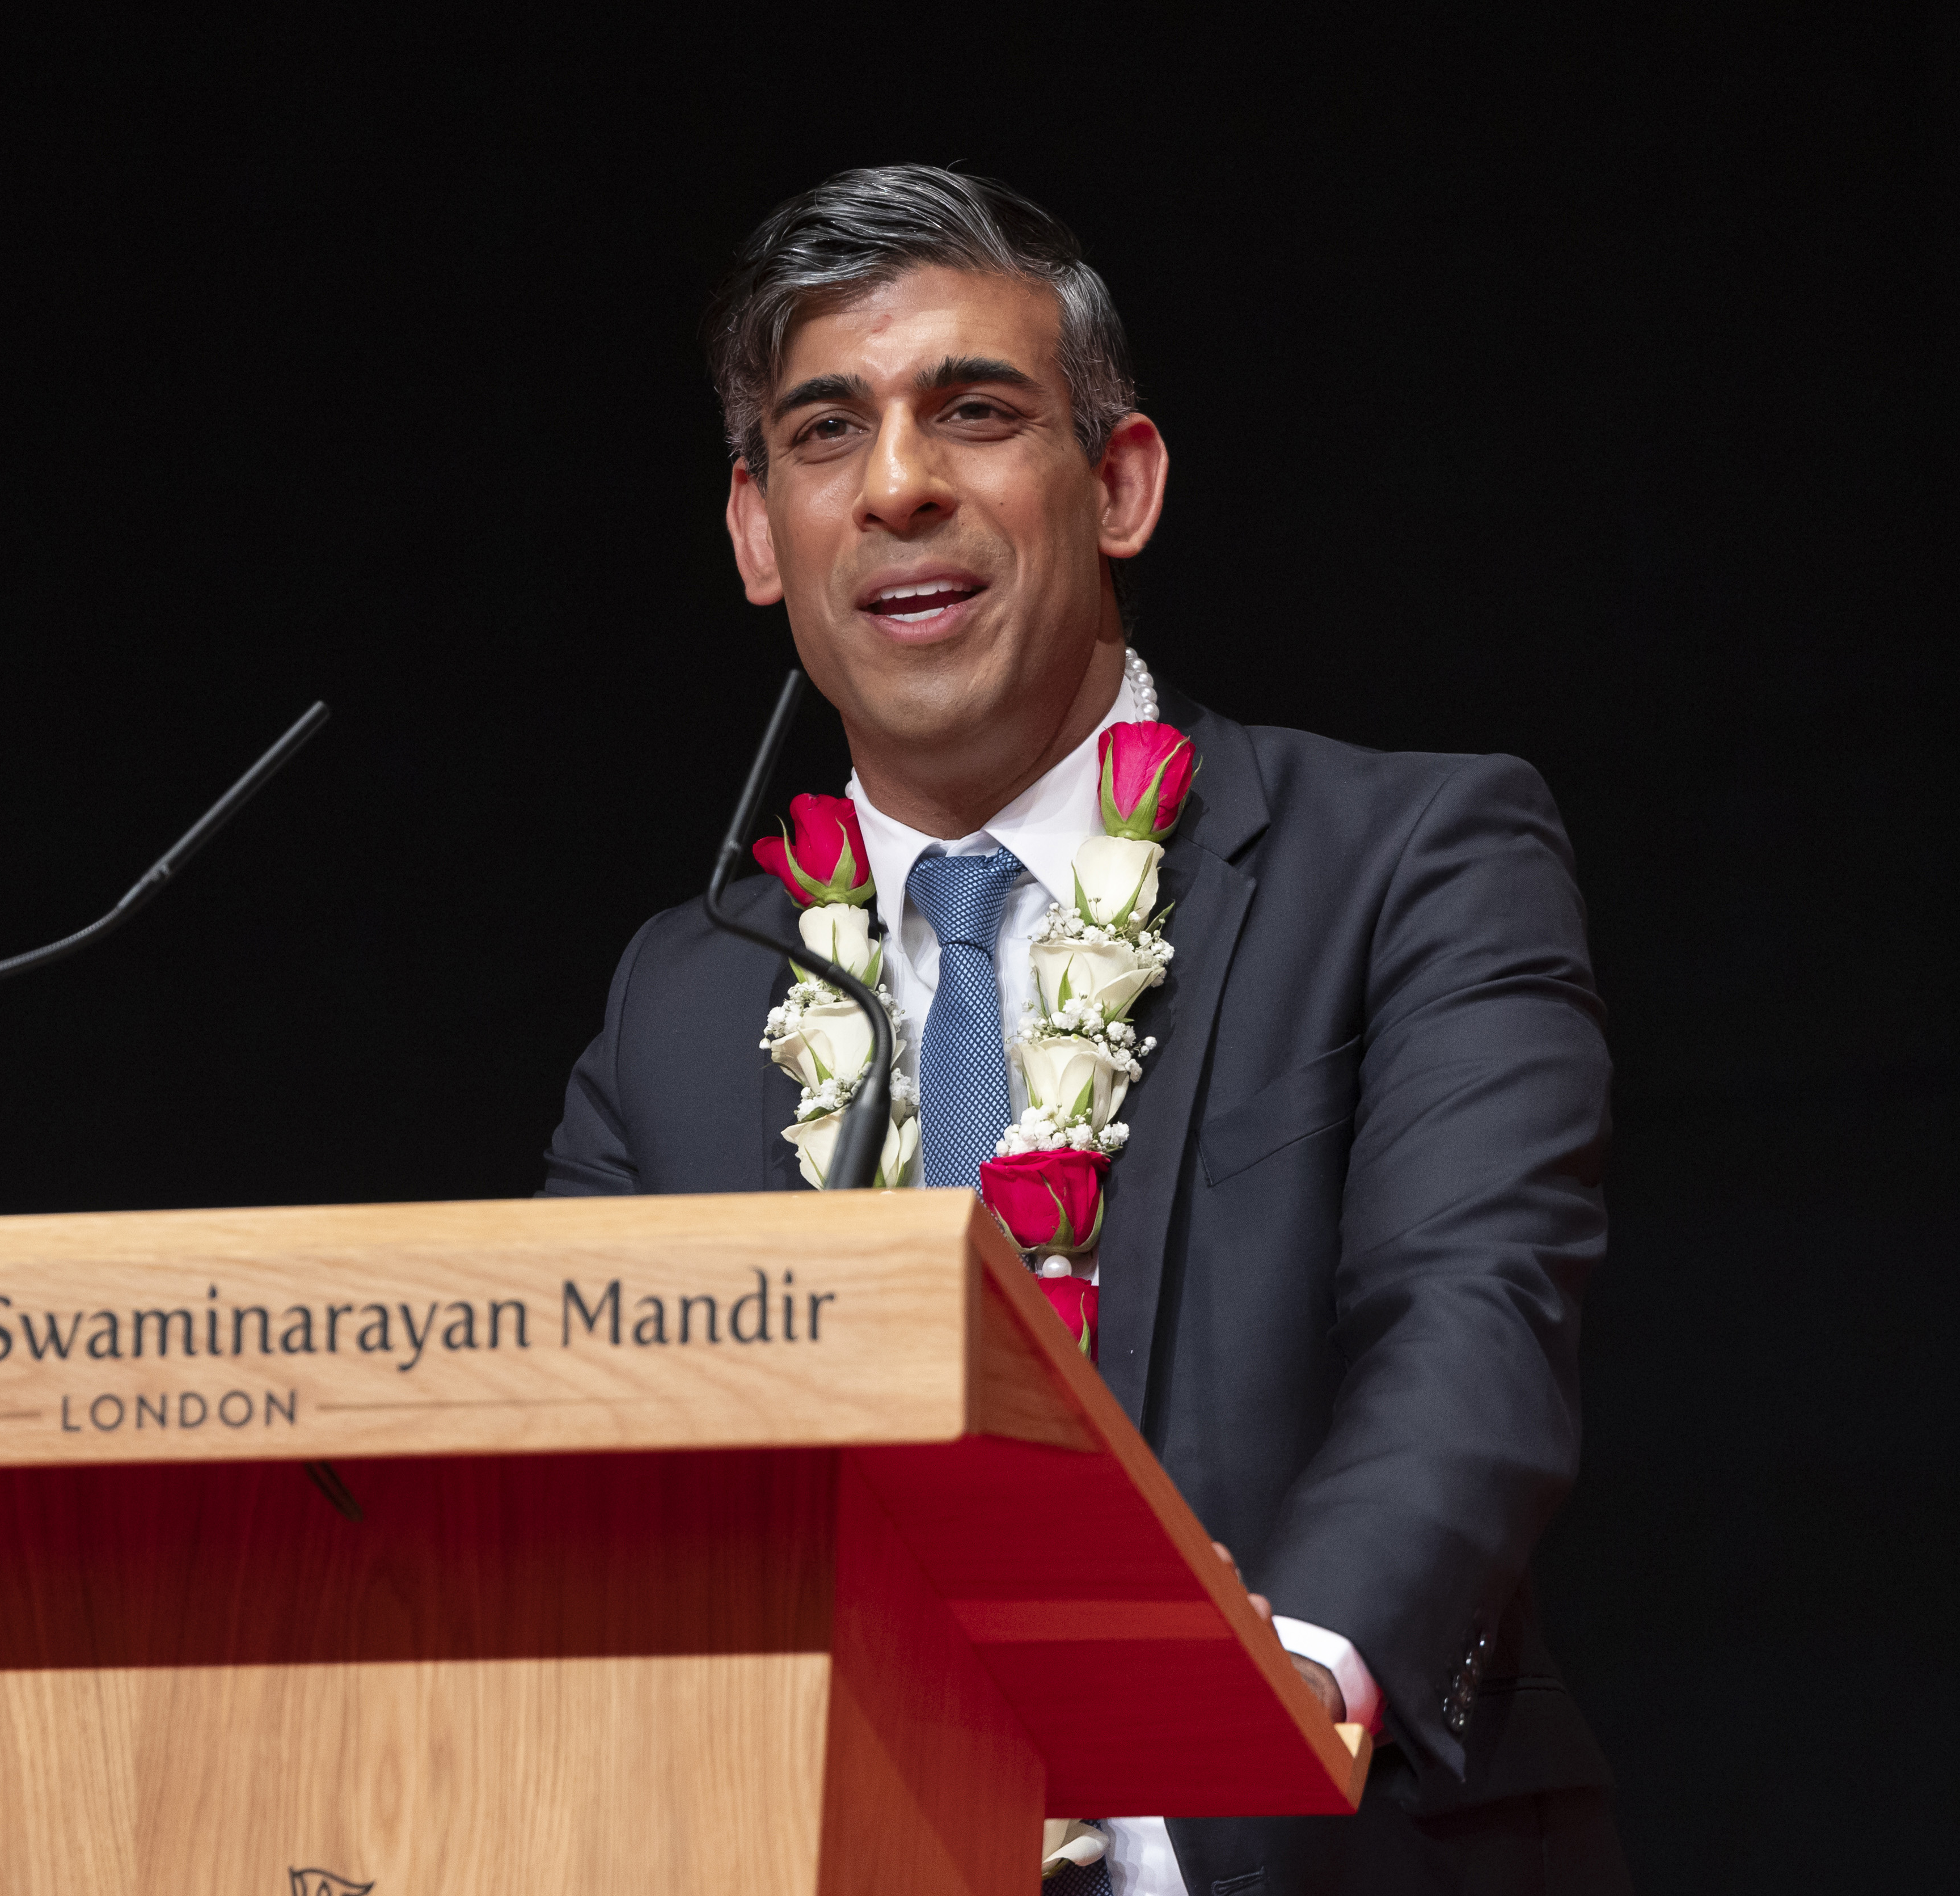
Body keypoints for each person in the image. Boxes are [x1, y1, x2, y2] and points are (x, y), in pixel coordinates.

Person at [539, 165, 1626, 1895]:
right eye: (826, 434)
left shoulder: (1411, 861)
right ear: (757, 532)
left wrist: (1278, 1687)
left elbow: (1469, 1317)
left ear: (1119, 483)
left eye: (974, 413)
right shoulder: (686, 995)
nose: (898, 485)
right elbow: (580, 1474)